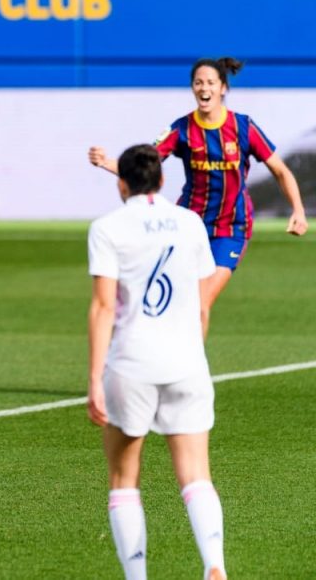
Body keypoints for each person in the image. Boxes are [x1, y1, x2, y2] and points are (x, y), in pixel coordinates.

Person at [87, 144, 226, 580]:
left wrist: (94, 379)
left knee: (124, 480)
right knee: (196, 475)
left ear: (120, 183)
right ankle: (214, 565)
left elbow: (104, 307)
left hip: (131, 365)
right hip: (187, 362)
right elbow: (203, 306)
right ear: (163, 181)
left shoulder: (108, 227)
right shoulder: (190, 223)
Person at [88, 57, 307, 328]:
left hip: (231, 228)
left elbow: (281, 171)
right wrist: (106, 162)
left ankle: (193, 370)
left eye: (211, 83)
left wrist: (298, 210)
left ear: (223, 88)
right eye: (198, 82)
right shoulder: (182, 129)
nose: (205, 88)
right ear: (193, 88)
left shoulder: (243, 127)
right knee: (178, 300)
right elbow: (143, 166)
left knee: (200, 303)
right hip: (189, 226)